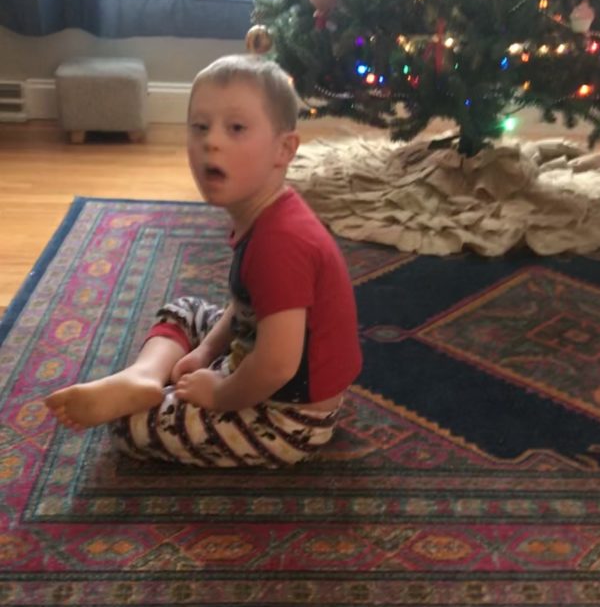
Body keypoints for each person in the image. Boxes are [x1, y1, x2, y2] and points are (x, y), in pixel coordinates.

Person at [45, 54, 362, 467]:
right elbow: (245, 306)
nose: (212, 141)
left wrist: (220, 392)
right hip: (260, 363)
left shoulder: (281, 242)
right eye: (200, 127)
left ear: (283, 150)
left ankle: (149, 388)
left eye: (236, 128)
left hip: (292, 416)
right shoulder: (264, 216)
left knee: (128, 425)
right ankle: (143, 376)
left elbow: (277, 365)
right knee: (187, 309)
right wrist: (207, 350)